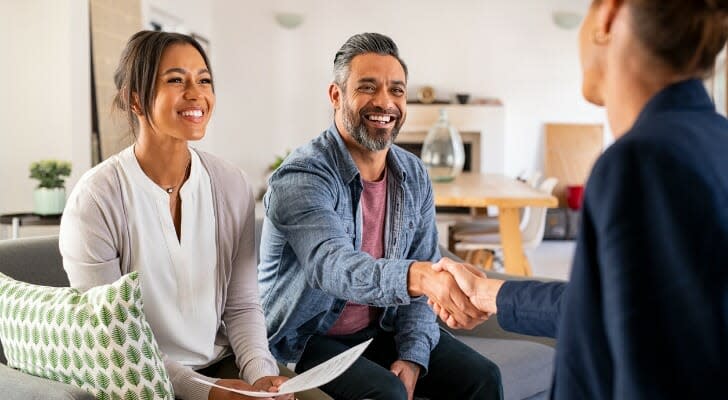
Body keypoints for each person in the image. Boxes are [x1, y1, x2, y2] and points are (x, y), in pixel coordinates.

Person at [430, 0, 728, 398]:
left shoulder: (643, 162)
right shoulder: (715, 141)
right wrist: (490, 294)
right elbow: (610, 310)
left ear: (607, 13)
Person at [258, 32, 502, 400]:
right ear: (336, 95)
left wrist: (414, 354)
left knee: (484, 377)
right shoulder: (302, 176)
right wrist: (417, 276)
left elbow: (425, 273)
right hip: (305, 339)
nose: (385, 103)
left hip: (379, 330)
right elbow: (332, 265)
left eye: (397, 91)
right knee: (385, 392)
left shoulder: (414, 174)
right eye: (368, 88)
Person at [59, 31, 291, 400]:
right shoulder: (96, 199)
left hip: (221, 363)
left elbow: (242, 304)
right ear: (136, 99)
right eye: (175, 80)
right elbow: (114, 338)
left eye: (204, 80)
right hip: (137, 379)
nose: (196, 93)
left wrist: (262, 376)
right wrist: (209, 392)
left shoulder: (231, 184)